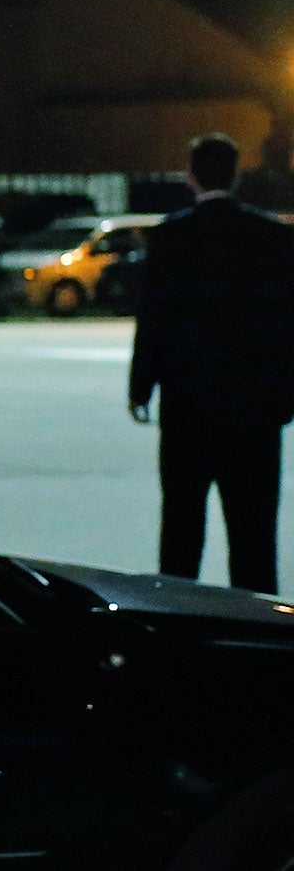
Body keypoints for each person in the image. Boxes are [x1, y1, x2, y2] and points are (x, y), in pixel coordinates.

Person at [129, 132, 294, 594]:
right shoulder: (273, 237)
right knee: (254, 535)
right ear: (236, 175)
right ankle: (256, 634)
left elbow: (154, 320)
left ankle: (179, 625)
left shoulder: (170, 237)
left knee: (182, 526)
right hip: (255, 411)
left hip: (188, 406)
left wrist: (142, 387)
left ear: (192, 177)